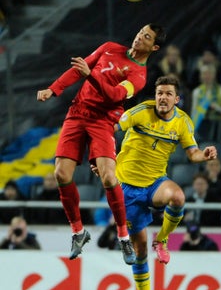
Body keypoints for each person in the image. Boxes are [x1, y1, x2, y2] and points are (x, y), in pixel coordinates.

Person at [93, 75, 217, 290]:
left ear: (177, 99)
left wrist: (203, 155)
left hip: (155, 183)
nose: (162, 97)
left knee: (178, 197)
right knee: (139, 253)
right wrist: (101, 159)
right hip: (126, 189)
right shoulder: (140, 112)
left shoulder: (183, 122)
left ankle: (162, 239)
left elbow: (192, 152)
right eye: (159, 92)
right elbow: (109, 128)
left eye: (168, 93)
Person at [36, 23, 166, 264]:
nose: (139, 37)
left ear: (154, 46)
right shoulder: (109, 48)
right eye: (139, 32)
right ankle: (78, 231)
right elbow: (78, 70)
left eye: (146, 37)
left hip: (103, 120)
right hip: (77, 113)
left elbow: (115, 96)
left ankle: (123, 236)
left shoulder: (138, 75)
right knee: (61, 174)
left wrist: (91, 75)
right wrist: (53, 89)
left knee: (108, 177)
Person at [191, 63, 221, 140]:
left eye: (209, 74)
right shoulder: (196, 92)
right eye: (204, 74)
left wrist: (216, 107)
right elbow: (193, 112)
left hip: (217, 125)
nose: (207, 76)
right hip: (200, 125)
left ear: (214, 75)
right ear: (201, 76)